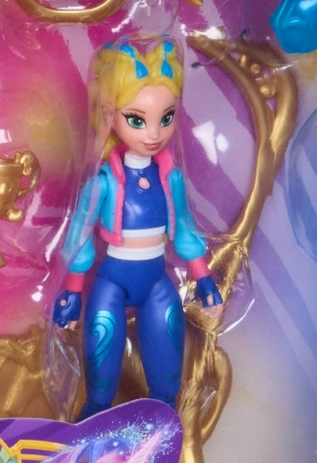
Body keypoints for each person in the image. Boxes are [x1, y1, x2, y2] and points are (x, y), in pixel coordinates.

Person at [53, 36, 221, 416]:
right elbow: (79, 236)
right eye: (137, 120)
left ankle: (161, 429)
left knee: (167, 376)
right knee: (100, 374)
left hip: (157, 281)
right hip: (112, 280)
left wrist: (203, 278)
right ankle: (92, 426)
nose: (153, 134)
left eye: (166, 118)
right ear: (109, 114)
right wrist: (73, 290)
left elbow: (185, 230)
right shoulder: (104, 182)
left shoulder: (169, 178)